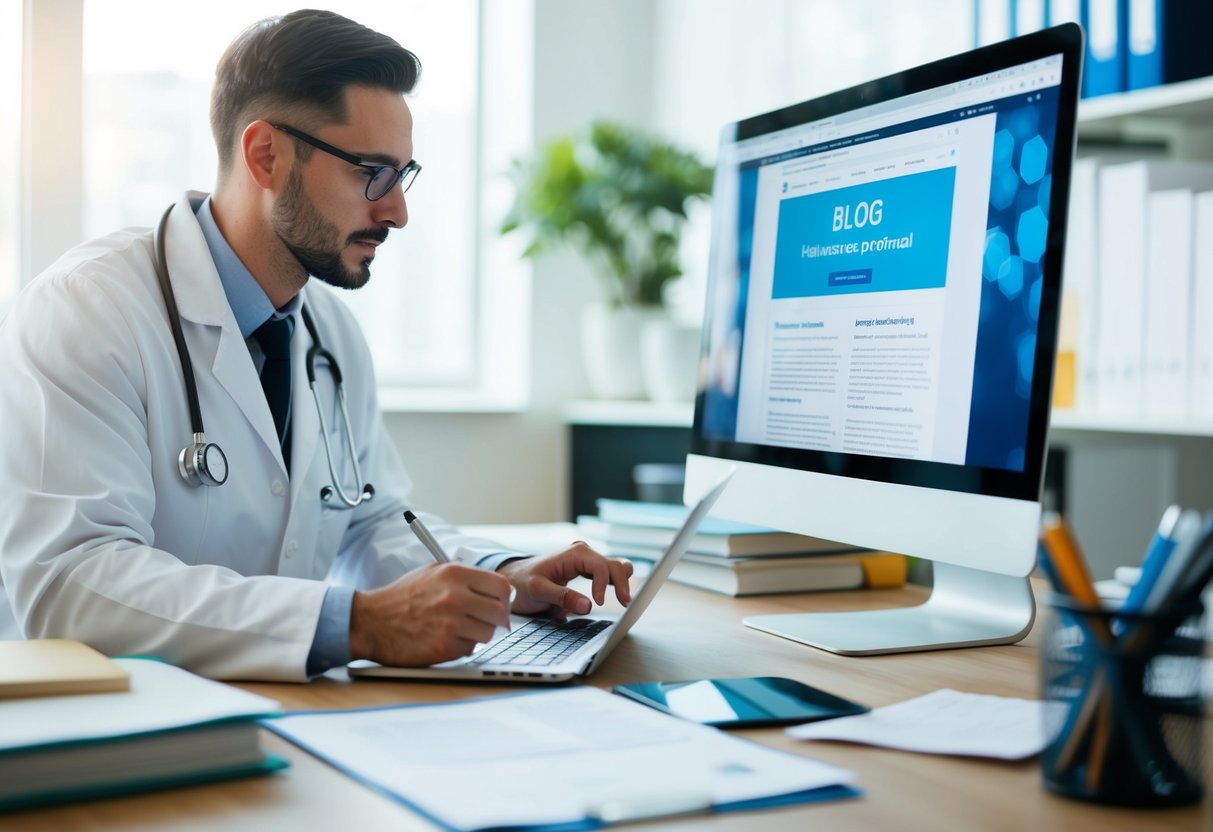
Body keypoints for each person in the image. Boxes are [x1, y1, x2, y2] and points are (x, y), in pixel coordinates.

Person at [0, 9, 632, 682]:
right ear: (266, 154)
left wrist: (502, 575)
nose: (396, 211)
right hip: (102, 730)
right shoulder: (86, 311)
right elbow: (70, 587)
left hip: (267, 709)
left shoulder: (328, 332)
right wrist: (356, 624)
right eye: (371, 172)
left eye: (401, 175)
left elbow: (369, 526)